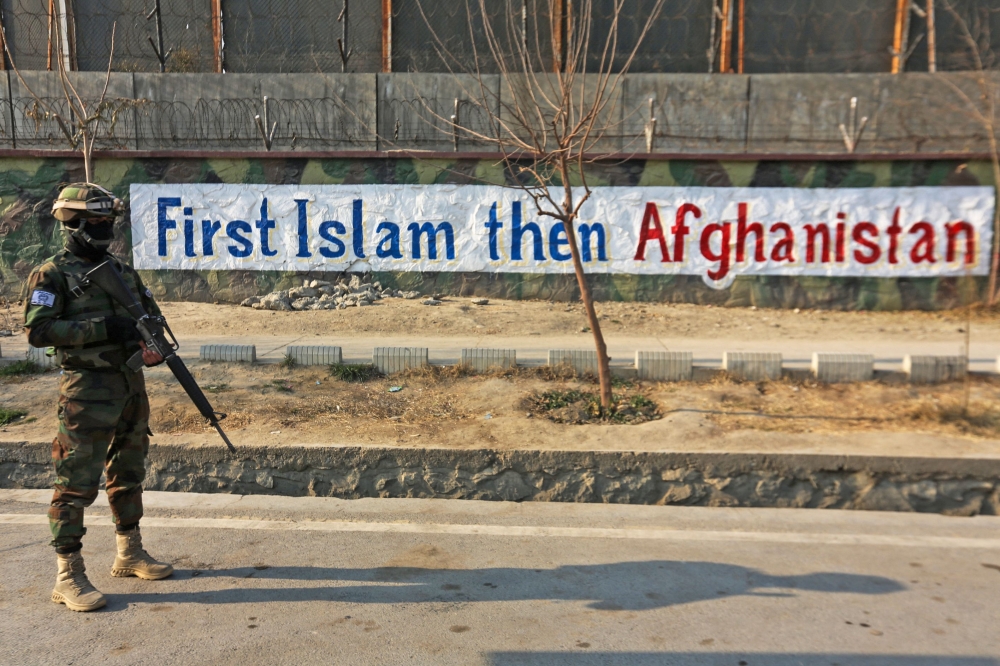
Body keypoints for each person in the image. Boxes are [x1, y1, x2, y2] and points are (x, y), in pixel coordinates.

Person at [23, 183, 173, 613]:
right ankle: (67, 575)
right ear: (72, 224)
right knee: (74, 482)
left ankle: (130, 552)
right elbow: (38, 332)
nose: (105, 229)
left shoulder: (120, 269)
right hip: (85, 392)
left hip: (129, 385)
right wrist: (104, 329)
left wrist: (153, 344)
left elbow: (148, 313)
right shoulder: (51, 274)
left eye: (109, 222)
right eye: (96, 223)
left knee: (129, 469)